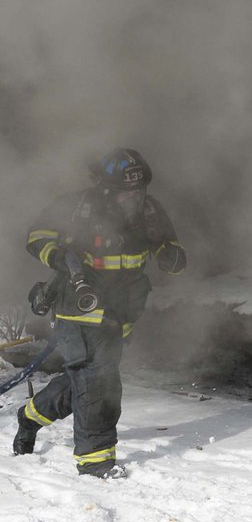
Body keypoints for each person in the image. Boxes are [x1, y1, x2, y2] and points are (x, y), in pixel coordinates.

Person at [13, 148, 186, 478]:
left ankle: (31, 416)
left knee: (84, 380)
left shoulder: (150, 211)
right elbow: (36, 236)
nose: (135, 198)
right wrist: (58, 257)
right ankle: (95, 465)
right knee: (100, 384)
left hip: (120, 316)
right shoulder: (77, 208)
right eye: (126, 194)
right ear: (107, 190)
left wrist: (172, 257)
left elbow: (168, 245)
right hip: (77, 310)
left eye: (140, 191)